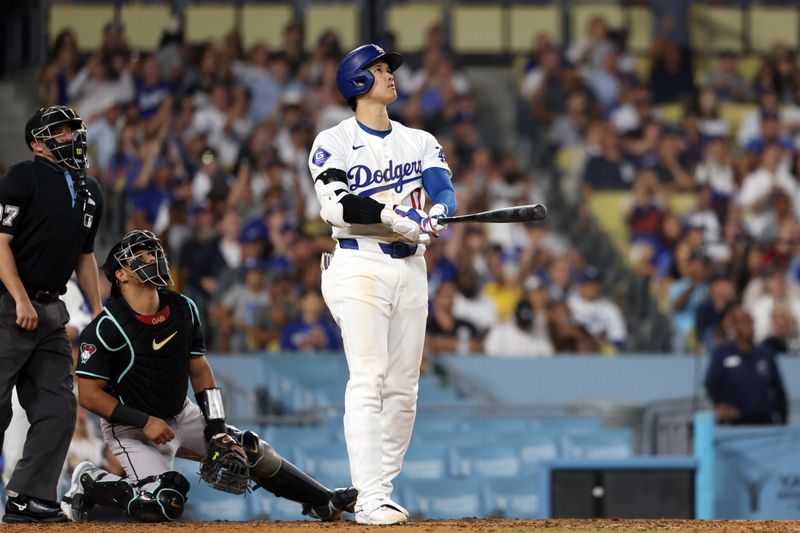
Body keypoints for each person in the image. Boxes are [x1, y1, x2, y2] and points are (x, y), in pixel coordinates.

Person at [60, 230, 357, 522]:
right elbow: (88, 394)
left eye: (154, 252)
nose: (152, 258)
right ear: (120, 275)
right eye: (141, 256)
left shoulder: (183, 308)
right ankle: (89, 480)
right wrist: (145, 421)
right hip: (131, 427)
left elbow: (200, 370)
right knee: (164, 504)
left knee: (247, 449)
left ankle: (322, 501)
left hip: (180, 411)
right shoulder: (105, 327)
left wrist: (216, 428)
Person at [308, 43, 456, 525]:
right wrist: (396, 216)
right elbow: (336, 206)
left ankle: (381, 490)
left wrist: (436, 214)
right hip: (358, 265)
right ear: (356, 82)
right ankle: (369, 497)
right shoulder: (333, 140)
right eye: (378, 69)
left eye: (387, 68)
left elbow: (443, 189)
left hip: (412, 267)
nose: (389, 75)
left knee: (404, 388)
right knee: (369, 377)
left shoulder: (419, 139)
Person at [0, 105, 103, 523]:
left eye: (72, 129)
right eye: (58, 131)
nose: (70, 136)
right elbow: (0, 244)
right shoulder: (22, 177)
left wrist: (98, 309)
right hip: (8, 306)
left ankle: (28, 497)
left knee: (60, 408)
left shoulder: (91, 189)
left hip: (51, 312)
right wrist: (21, 299)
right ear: (37, 144)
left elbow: (85, 256)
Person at [705, 305, 788, 425]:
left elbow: (779, 392)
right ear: (734, 326)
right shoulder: (723, 353)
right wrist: (720, 405)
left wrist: (782, 422)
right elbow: (711, 383)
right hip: (734, 424)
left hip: (764, 422)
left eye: (750, 321)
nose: (748, 327)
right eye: (742, 322)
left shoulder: (765, 354)